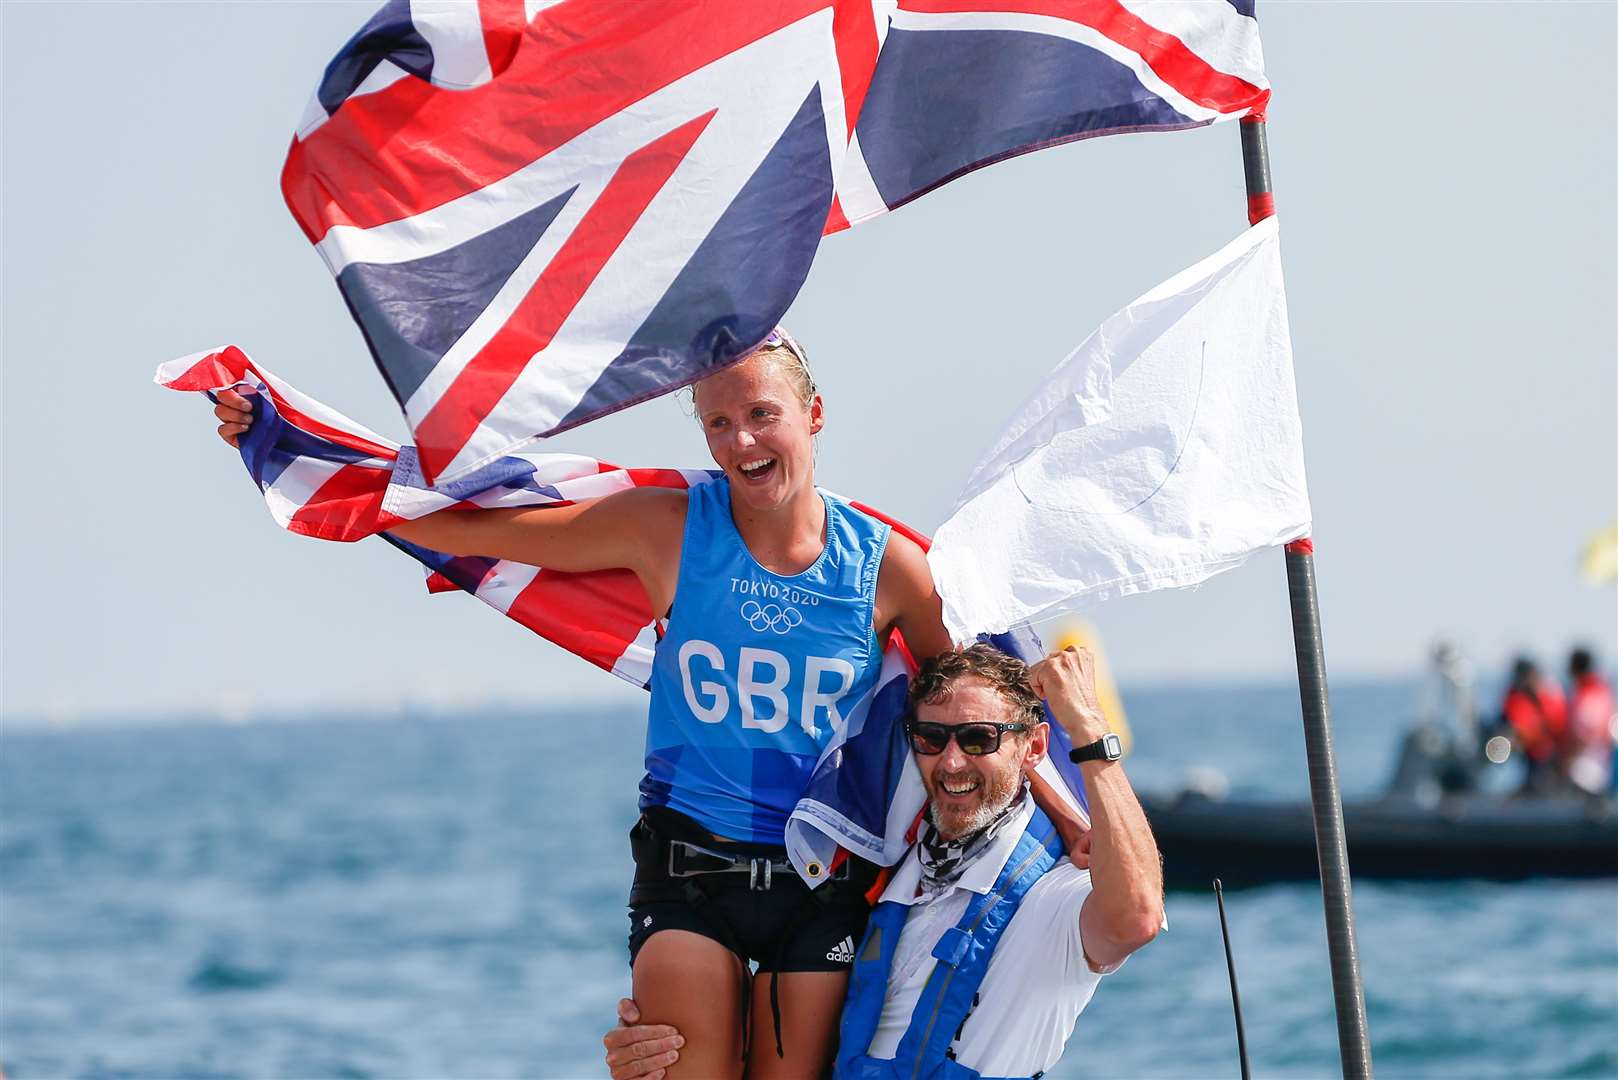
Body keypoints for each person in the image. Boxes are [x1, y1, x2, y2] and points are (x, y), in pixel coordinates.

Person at [215, 329, 957, 1078]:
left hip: (820, 883)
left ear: (815, 414)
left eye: (763, 415)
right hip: (689, 871)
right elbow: (470, 528)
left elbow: (970, 707)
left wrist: (1069, 801)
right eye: (718, 424)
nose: (742, 440)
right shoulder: (664, 527)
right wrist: (294, 453)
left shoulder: (889, 569)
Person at [605, 644, 1164, 1080]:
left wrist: (1089, 729)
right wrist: (662, 1049)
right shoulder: (891, 879)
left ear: (1035, 747)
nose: (951, 761)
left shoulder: (1054, 899)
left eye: (978, 738)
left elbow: (1136, 916)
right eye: (931, 737)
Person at [1497, 656, 1570, 796]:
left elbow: (1556, 724)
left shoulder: (1548, 695)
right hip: (1526, 760)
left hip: (1550, 759)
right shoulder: (1515, 698)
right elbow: (1515, 731)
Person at [1565, 647, 1616, 795]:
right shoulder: (1601, 691)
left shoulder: (1591, 695)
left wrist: (1566, 762)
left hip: (1591, 770)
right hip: (1597, 766)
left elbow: (1586, 734)